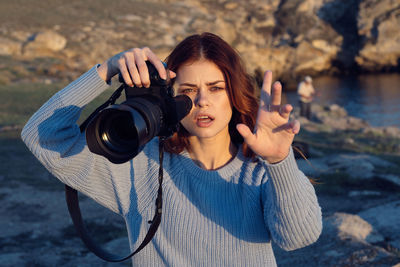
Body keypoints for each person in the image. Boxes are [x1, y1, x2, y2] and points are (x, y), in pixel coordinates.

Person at [21, 32, 322, 266]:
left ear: (233, 94)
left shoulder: (259, 172)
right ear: (171, 99)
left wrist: (279, 161)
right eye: (188, 91)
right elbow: (41, 135)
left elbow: (299, 237)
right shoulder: (141, 165)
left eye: (216, 88)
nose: (202, 100)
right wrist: (107, 70)